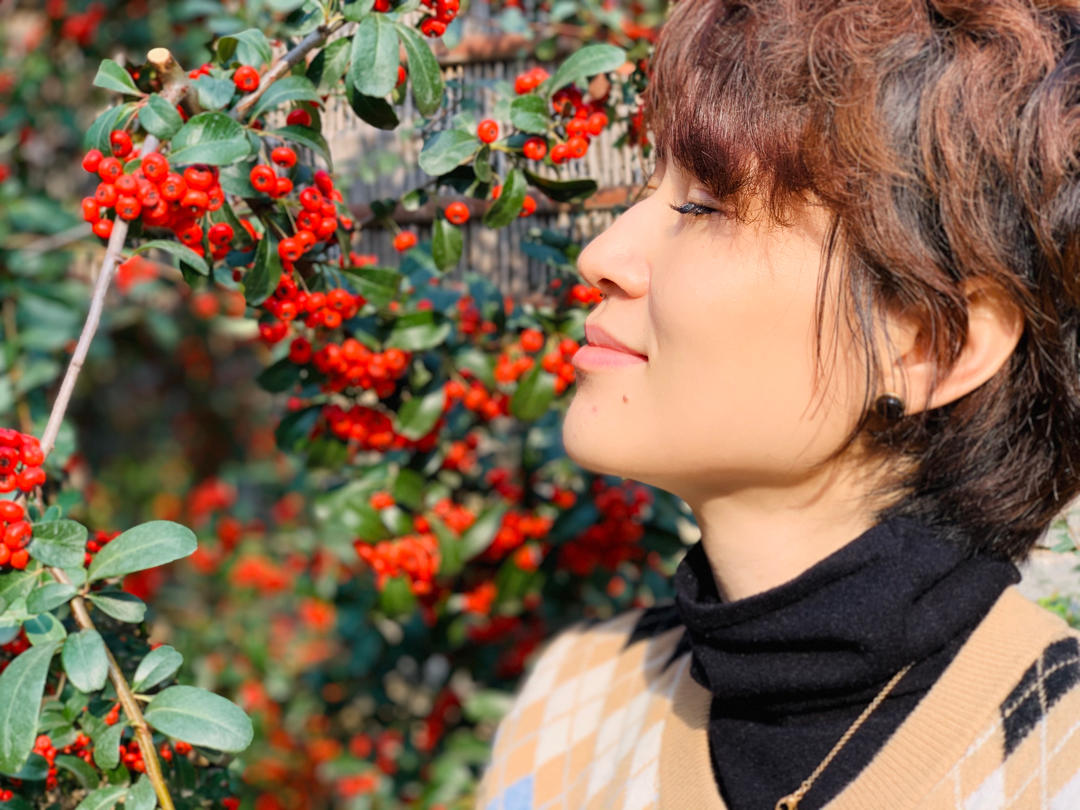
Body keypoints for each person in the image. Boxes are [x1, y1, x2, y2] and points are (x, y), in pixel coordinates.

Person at [474, 1, 1080, 808]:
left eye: (704, 206)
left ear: (937, 346)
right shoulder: (569, 711)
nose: (600, 255)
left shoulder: (1052, 766)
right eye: (653, 187)